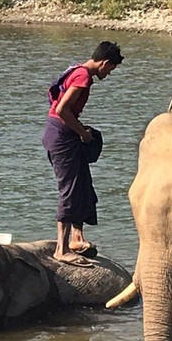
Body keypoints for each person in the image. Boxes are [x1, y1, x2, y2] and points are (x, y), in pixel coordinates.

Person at [41, 41, 123, 266]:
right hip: (61, 135)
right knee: (70, 190)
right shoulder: (83, 77)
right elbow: (62, 109)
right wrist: (83, 134)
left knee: (83, 184)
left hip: (62, 132)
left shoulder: (76, 69)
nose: (108, 74)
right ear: (104, 63)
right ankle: (61, 249)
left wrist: (80, 130)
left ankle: (77, 238)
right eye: (110, 69)